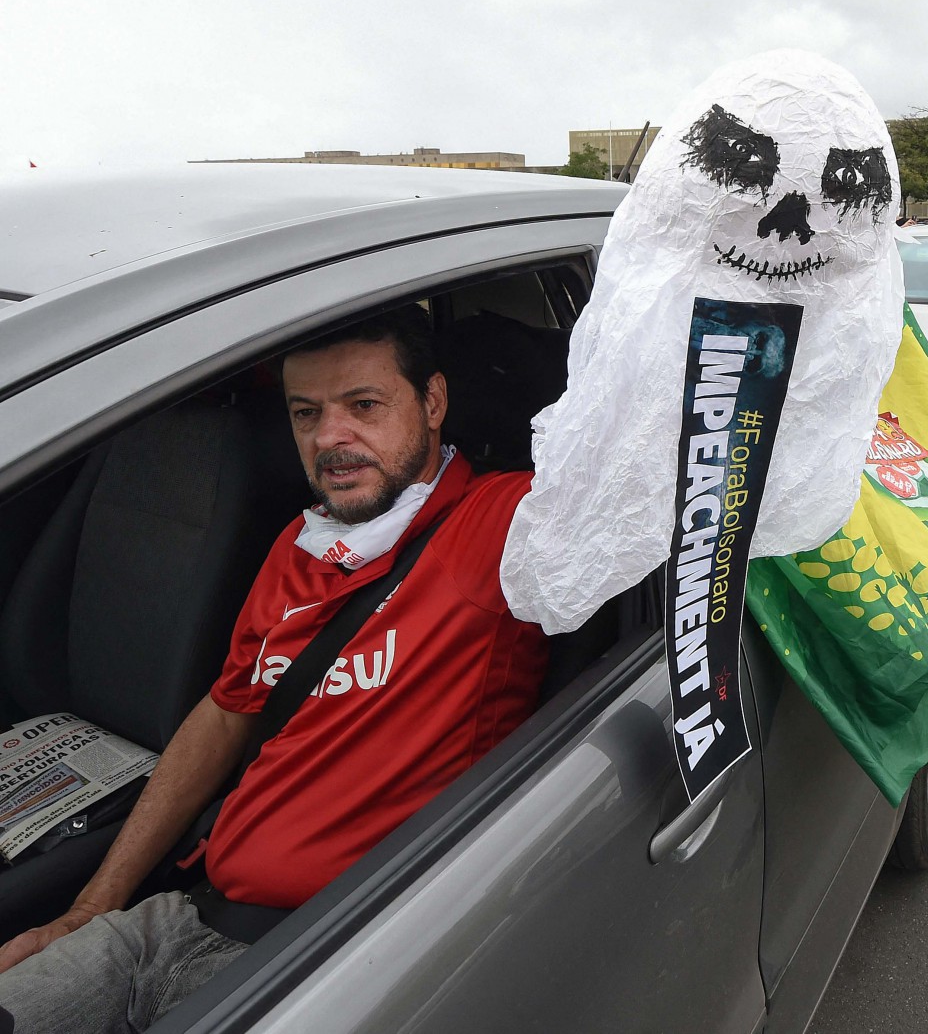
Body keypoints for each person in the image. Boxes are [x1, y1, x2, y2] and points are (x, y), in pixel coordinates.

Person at [0, 308, 549, 1032]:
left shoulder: (498, 523)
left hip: (309, 957)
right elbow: (229, 711)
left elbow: (641, 467)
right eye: (306, 412)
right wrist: (94, 907)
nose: (330, 438)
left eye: (363, 405)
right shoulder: (303, 541)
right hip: (176, 916)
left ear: (433, 401)